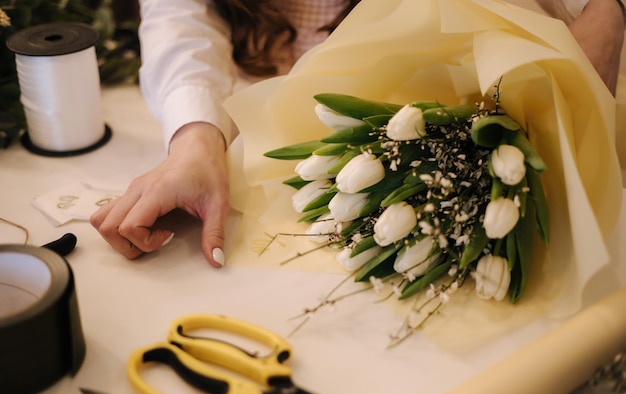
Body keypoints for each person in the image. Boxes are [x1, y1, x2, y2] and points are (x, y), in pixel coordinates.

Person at [90, 0, 625, 268]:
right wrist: (195, 140)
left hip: (452, 108)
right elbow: (183, 14)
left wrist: (608, 9)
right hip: (268, 125)